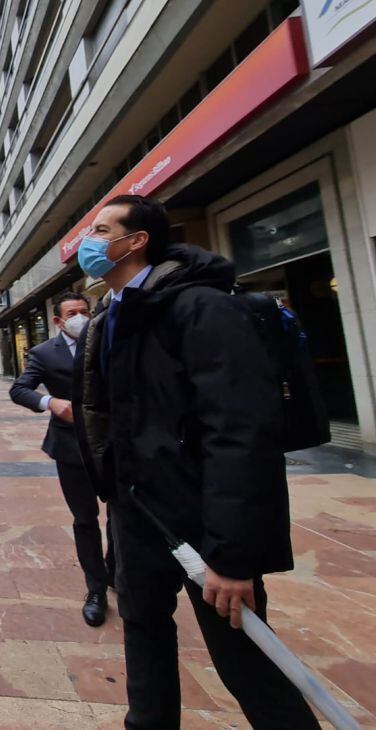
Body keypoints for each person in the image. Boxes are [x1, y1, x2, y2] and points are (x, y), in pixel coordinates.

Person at [71, 195, 319, 729]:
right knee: (143, 637)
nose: (87, 242)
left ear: (135, 242)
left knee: (246, 660)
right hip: (136, 515)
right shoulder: (108, 318)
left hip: (202, 525)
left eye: (100, 229)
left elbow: (241, 435)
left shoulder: (202, 309)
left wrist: (234, 556)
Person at [10, 291, 114, 626]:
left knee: (121, 516)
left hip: (114, 444)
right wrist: (49, 403)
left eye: (84, 311)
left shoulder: (110, 339)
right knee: (85, 519)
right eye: (72, 313)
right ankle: (95, 589)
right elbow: (20, 389)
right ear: (58, 320)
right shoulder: (43, 352)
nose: (80, 317)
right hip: (71, 449)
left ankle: (116, 572)